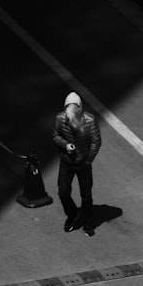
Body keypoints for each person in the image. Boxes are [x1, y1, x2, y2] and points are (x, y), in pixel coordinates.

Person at [52, 91, 102, 236]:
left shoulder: (90, 120)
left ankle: (87, 222)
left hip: (83, 163)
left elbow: (96, 142)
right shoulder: (60, 118)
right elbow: (55, 135)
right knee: (63, 192)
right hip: (66, 161)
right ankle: (72, 214)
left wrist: (88, 160)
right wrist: (66, 145)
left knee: (86, 195)